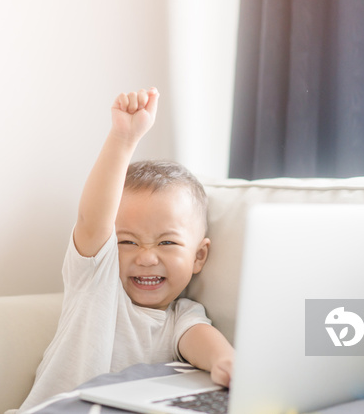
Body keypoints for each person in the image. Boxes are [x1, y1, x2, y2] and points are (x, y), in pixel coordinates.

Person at [19, 87, 234, 410]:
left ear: (198, 256)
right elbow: (93, 220)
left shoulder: (181, 318)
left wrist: (226, 361)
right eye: (127, 242)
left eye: (167, 242)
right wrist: (123, 139)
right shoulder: (96, 282)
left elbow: (203, 343)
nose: (146, 258)